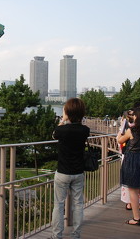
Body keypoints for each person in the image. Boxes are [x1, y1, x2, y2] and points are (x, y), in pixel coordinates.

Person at [51, 98, 90, 239]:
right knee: (78, 204)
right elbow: (79, 127)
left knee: (58, 205)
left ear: (67, 112)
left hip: (62, 172)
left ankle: (57, 236)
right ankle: (76, 235)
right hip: (78, 172)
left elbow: (55, 134)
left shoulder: (61, 130)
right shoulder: (85, 130)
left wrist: (63, 119)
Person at [117, 106, 140, 225]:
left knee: (133, 190)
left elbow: (120, 140)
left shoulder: (131, 131)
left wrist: (119, 134)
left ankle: (136, 218)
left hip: (132, 159)